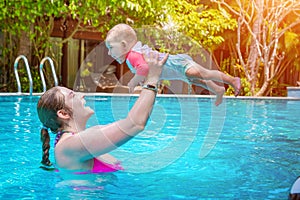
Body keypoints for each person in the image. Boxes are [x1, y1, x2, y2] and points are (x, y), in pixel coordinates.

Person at [37, 51, 169, 173]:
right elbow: (134, 125)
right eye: (73, 95)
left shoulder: (78, 142)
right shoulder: (70, 146)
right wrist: (152, 79)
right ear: (64, 114)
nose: (81, 94)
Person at [105, 23, 241, 106]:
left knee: (203, 74)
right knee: (197, 79)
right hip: (175, 71)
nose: (109, 53)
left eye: (111, 47)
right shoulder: (133, 54)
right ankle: (218, 90)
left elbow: (144, 68)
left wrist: (133, 82)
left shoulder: (132, 55)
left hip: (177, 64)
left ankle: (232, 80)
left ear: (123, 45)